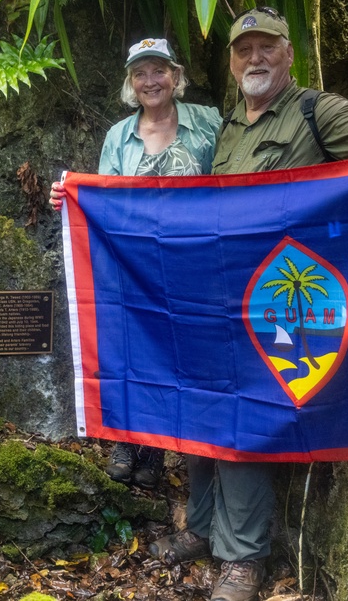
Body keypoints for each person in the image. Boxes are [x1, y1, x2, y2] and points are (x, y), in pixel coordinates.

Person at [148, 7, 348, 601]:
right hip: (224, 298)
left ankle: (242, 557)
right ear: (230, 61)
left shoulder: (315, 111)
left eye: (266, 47)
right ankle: (201, 525)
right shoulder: (227, 130)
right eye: (244, 49)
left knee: (243, 416)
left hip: (283, 301)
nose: (255, 58)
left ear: (288, 52)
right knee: (196, 397)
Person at [50, 37, 223, 491]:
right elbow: (101, 198)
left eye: (159, 70)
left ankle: (161, 450)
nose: (151, 81)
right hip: (135, 268)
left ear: (176, 76)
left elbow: (234, 182)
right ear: (131, 83)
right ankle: (129, 441)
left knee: (177, 355)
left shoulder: (209, 123)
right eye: (141, 73)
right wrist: (69, 198)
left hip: (193, 266)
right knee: (134, 352)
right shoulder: (118, 137)